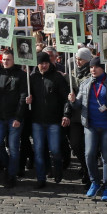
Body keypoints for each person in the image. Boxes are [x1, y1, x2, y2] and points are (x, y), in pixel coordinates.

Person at [72, 56, 107, 201]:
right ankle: (94, 182)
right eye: (91, 67)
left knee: (106, 157)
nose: (93, 69)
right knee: (89, 154)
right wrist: (73, 101)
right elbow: (78, 105)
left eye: (96, 67)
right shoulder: (86, 83)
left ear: (103, 68)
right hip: (90, 125)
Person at [26, 51, 70, 188]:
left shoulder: (57, 77)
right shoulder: (32, 78)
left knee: (55, 150)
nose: (44, 65)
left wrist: (66, 114)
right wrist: (28, 100)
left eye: (46, 63)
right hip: (37, 120)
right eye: (41, 63)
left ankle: (58, 169)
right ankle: (41, 178)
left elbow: (66, 98)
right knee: (38, 151)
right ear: (37, 64)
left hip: (54, 121)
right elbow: (26, 95)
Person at [0, 48, 27, 188]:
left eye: (8, 59)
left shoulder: (21, 75)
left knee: (13, 147)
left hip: (14, 116)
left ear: (14, 60)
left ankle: (11, 175)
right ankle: (9, 165)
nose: (5, 61)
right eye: (3, 59)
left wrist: (19, 117)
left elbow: (23, 97)